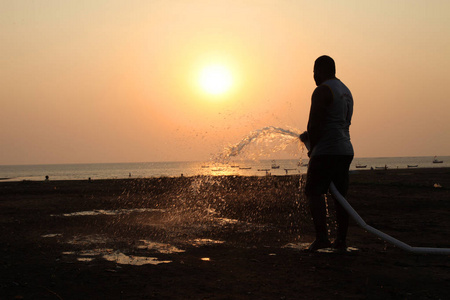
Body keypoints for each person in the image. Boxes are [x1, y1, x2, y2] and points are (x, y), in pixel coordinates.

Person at [299, 55, 354, 252]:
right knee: (340, 196)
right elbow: (336, 122)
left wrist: (312, 144)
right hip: (344, 150)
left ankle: (322, 238)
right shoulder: (345, 91)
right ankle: (341, 241)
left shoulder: (322, 90)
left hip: (326, 150)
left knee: (314, 191)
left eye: (314, 72)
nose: (313, 76)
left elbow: (315, 123)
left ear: (321, 70)